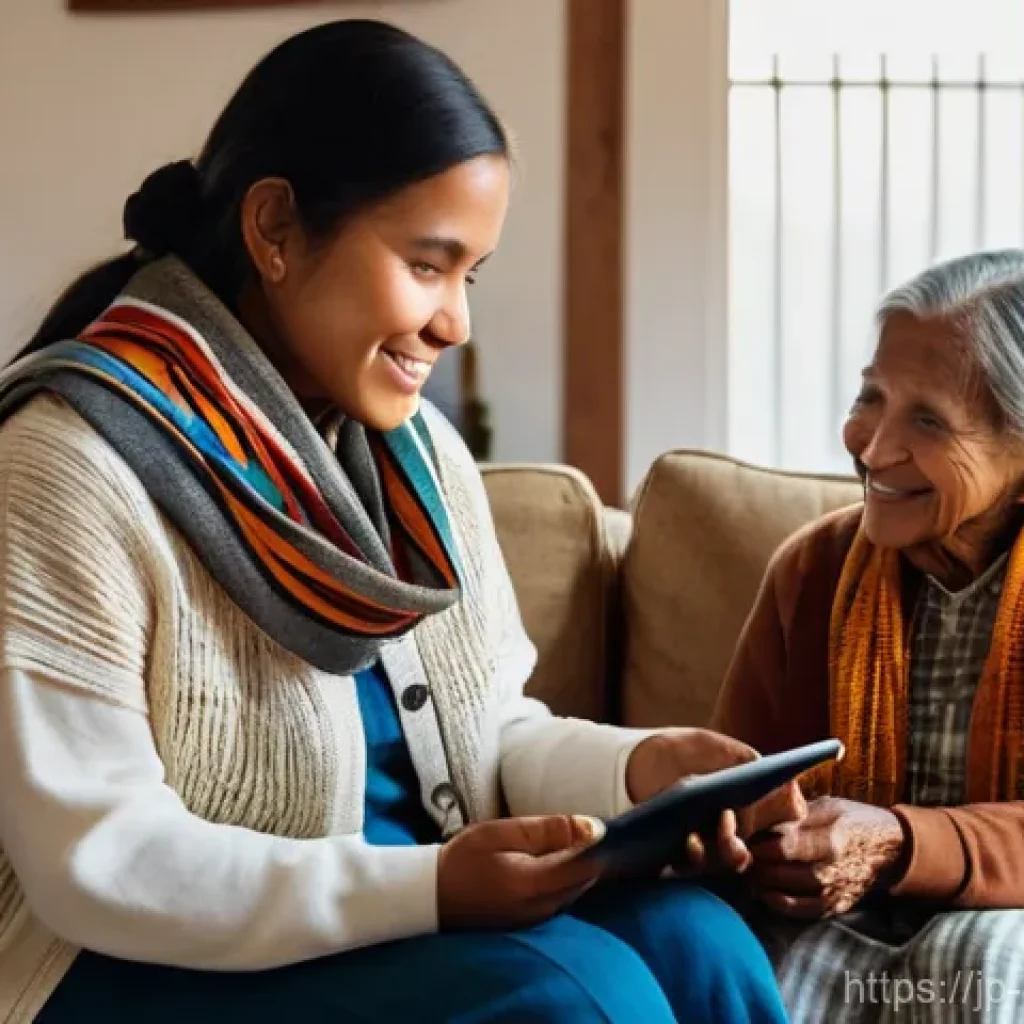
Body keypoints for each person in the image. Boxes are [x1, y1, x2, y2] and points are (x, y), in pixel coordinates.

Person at [0, 20, 791, 1023]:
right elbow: (93, 857)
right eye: (427, 265)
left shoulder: (415, 454)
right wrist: (432, 887)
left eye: (472, 274)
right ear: (276, 228)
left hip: (388, 926)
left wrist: (639, 770)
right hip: (114, 966)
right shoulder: (71, 463)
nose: (454, 321)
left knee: (701, 941)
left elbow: (488, 730)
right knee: (573, 1000)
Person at [713, 249, 1024, 1023]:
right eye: (870, 397)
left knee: (978, 959)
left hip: (1001, 925)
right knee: (706, 942)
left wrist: (898, 842)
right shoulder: (813, 570)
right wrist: (749, 836)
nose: (874, 448)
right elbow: (734, 774)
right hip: (837, 923)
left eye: (927, 419)